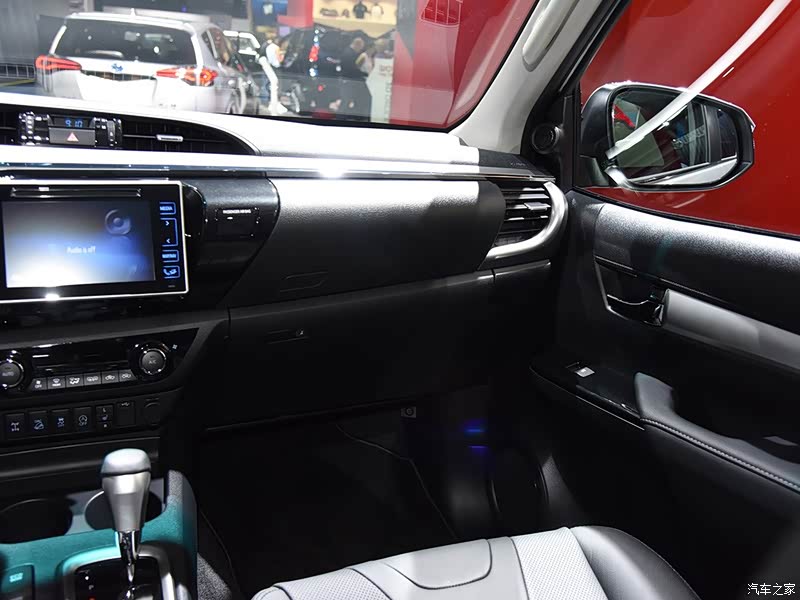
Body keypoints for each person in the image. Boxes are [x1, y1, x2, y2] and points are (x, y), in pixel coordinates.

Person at [339, 37, 372, 121]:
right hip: (349, 80)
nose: (360, 50)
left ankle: (345, 117)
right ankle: (341, 118)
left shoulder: (348, 52)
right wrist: (363, 74)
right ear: (357, 45)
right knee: (347, 100)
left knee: (349, 100)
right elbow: (351, 68)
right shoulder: (349, 54)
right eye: (360, 47)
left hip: (350, 80)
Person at [258, 37, 289, 116]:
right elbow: (279, 60)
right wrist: (283, 55)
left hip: (269, 66)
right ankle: (274, 103)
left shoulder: (268, 46)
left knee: (267, 85)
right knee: (275, 86)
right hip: (276, 68)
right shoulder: (276, 48)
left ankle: (266, 101)